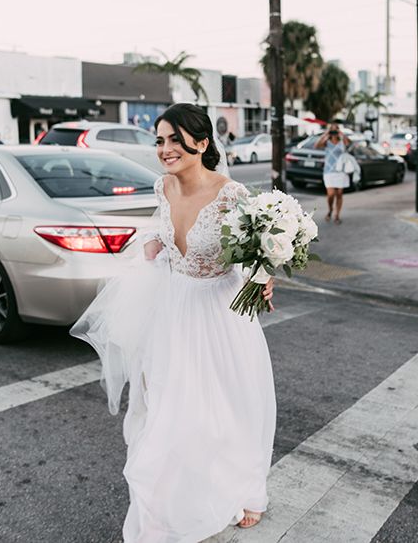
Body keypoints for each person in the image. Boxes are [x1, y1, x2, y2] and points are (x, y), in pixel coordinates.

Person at [71, 103, 277, 540]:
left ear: (202, 143)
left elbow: (260, 251)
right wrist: (152, 243)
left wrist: (264, 279)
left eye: (174, 140)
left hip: (219, 315)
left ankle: (242, 488)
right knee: (168, 408)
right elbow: (156, 228)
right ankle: (171, 501)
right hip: (172, 308)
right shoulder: (161, 186)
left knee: (226, 411)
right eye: (160, 140)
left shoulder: (232, 194)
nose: (164, 149)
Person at [315, 123, 352, 224]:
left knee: (339, 194)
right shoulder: (326, 142)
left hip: (340, 171)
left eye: (336, 130)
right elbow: (316, 145)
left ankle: (337, 215)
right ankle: (330, 209)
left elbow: (349, 143)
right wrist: (326, 134)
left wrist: (341, 133)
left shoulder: (342, 141)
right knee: (331, 194)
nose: (334, 132)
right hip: (329, 171)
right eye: (332, 130)